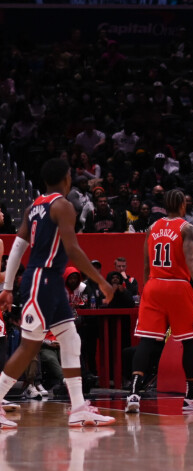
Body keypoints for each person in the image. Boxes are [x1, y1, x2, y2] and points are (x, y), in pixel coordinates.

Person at [0, 158, 116, 428]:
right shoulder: (63, 205)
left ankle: (77, 409)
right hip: (44, 280)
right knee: (30, 346)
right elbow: (73, 249)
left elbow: (17, 246)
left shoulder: (33, 206)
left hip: (45, 280)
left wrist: (7, 289)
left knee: (71, 339)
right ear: (66, 179)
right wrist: (101, 281)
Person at [125, 189, 193, 414]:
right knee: (188, 341)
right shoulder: (188, 229)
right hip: (178, 287)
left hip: (154, 285)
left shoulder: (151, 229)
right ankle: (192, 395)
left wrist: (147, 288)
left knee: (146, 341)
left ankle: (134, 393)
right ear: (183, 206)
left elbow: (146, 265)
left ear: (164, 206)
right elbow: (192, 261)